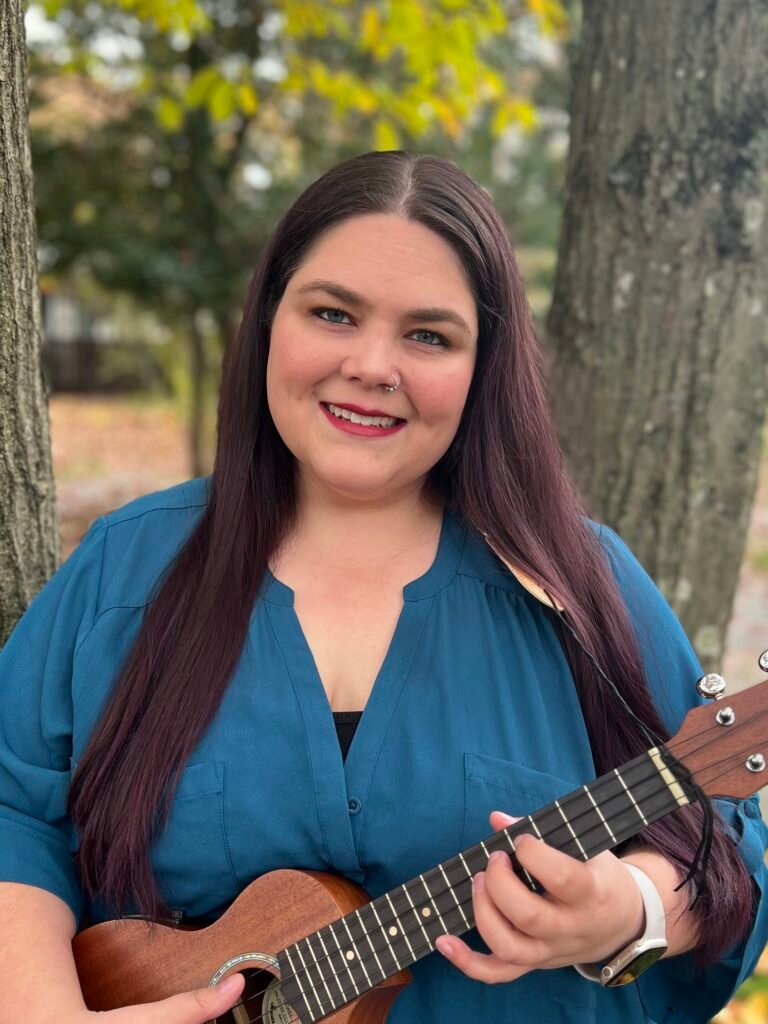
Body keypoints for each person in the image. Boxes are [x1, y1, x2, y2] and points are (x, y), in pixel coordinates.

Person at [0, 150, 766, 1024]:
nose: (372, 365)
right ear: (268, 322)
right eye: (333, 313)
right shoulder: (125, 570)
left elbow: (726, 851)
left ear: (485, 368)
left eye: (428, 336)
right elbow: (12, 811)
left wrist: (627, 910)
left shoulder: (583, 592)